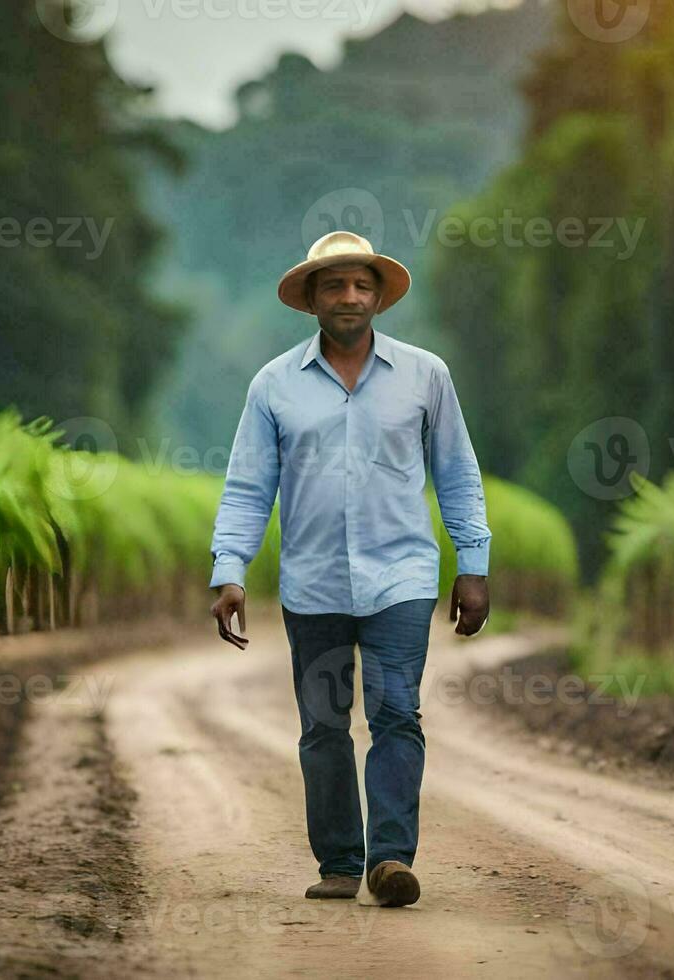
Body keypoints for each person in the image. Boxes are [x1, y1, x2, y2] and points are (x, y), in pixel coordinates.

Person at [207, 230, 493, 908]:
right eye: (334, 285)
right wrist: (230, 570)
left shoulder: (427, 376)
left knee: (397, 713)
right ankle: (339, 862)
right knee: (324, 724)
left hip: (402, 577)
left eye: (362, 285)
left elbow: (458, 474)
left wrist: (473, 564)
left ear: (379, 297)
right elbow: (248, 487)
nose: (350, 296)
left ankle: (390, 859)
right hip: (314, 585)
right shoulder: (273, 386)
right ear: (310, 299)